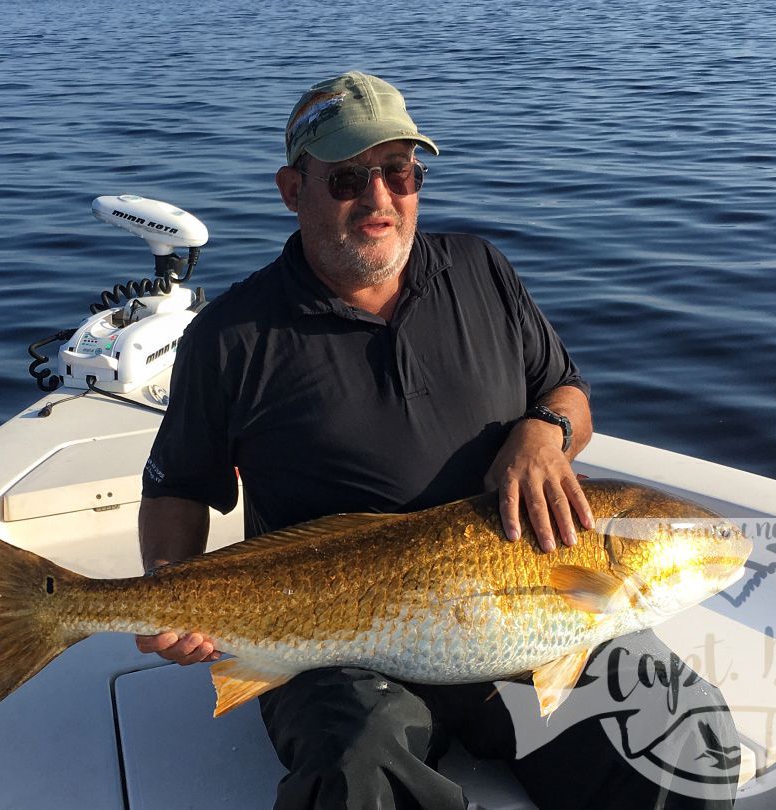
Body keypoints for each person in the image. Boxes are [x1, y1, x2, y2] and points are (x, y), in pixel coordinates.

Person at [137, 71, 737, 809]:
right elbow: (176, 488)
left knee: (682, 734)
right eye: (348, 177)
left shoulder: (482, 272)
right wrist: (167, 594)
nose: (380, 198)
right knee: (354, 770)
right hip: (334, 643)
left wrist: (546, 432)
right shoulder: (230, 338)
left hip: (531, 620)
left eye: (399, 172)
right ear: (293, 189)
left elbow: (567, 391)